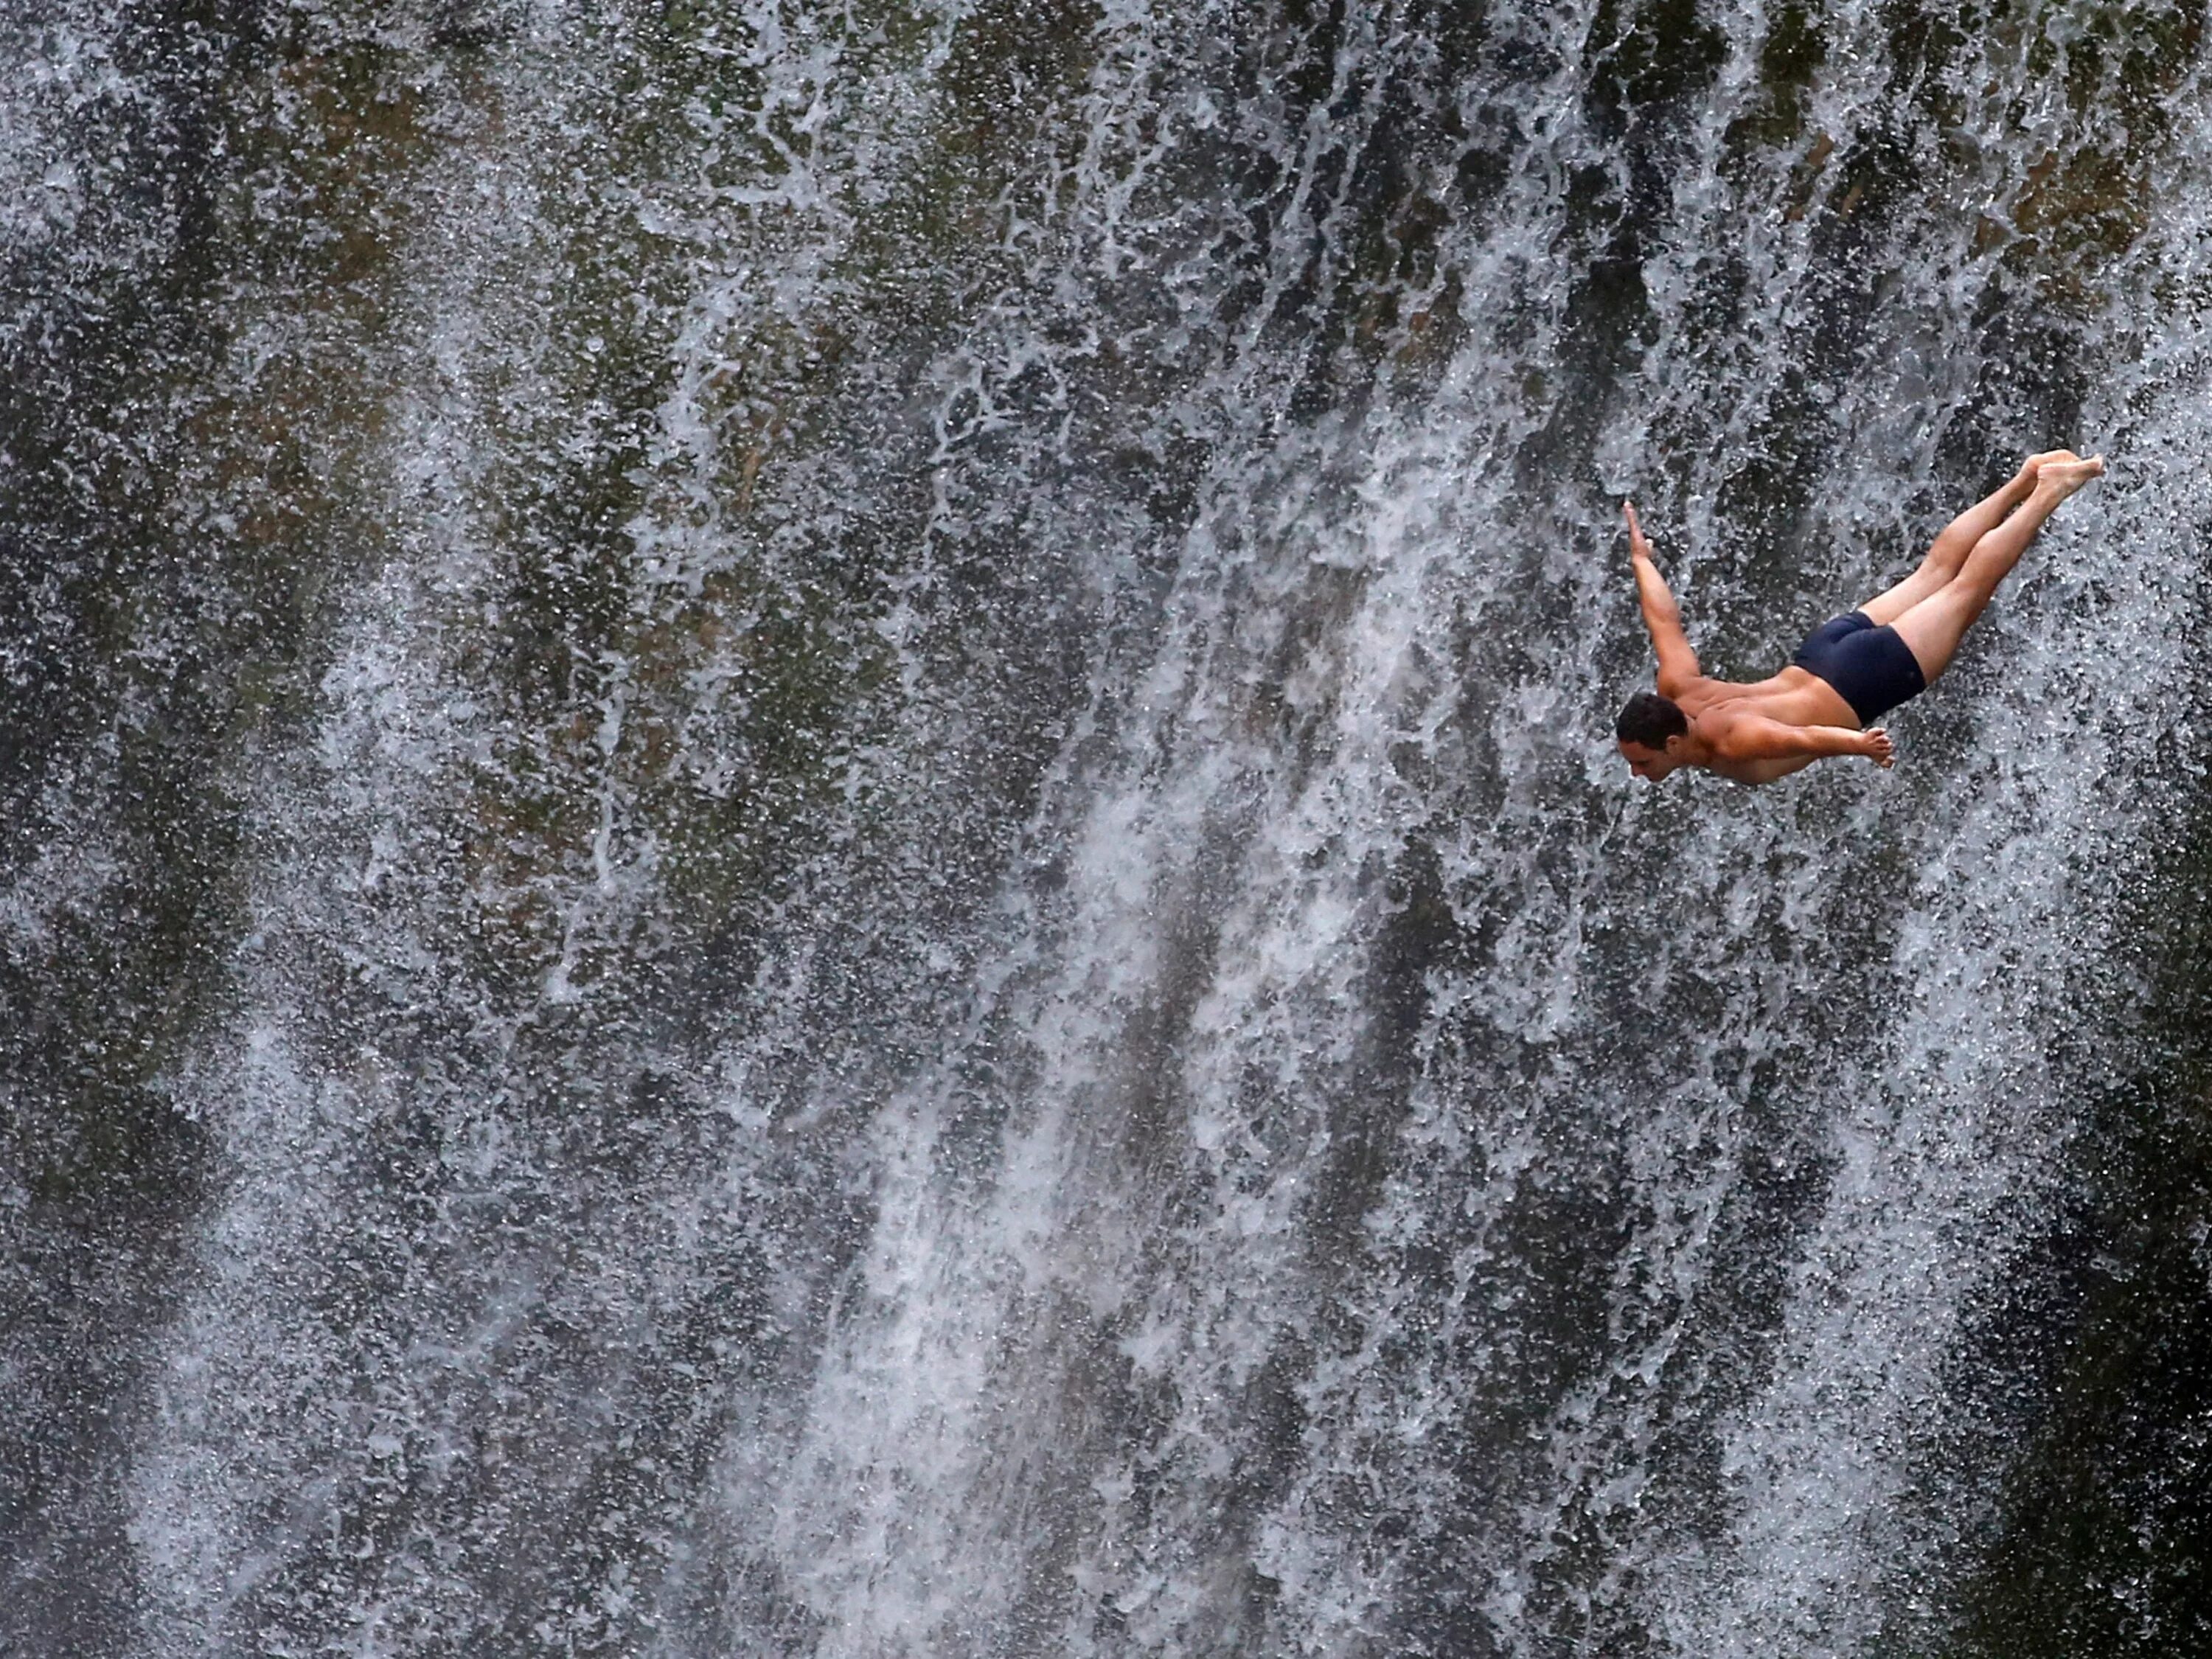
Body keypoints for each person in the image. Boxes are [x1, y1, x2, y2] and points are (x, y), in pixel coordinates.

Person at [1615, 451, 2106, 785]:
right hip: (1822, 653)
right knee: (1934, 572)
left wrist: (1858, 745)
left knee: (1967, 590)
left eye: (1642, 761)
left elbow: (1800, 738)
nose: (1637, 773)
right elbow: (1664, 623)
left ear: (1674, 742)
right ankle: (2025, 478)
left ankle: (2046, 493)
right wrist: (1642, 562)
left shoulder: (1728, 740)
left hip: (1864, 680)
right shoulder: (1678, 689)